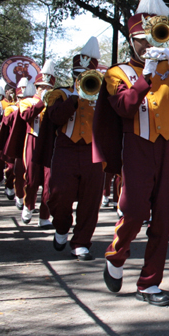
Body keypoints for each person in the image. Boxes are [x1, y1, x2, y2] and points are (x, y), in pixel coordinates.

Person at [93, 0, 169, 306]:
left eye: (154, 37)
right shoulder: (116, 73)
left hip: (167, 148)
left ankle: (149, 283)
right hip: (136, 147)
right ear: (131, 39)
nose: (148, 44)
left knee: (163, 217)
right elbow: (124, 106)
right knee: (135, 211)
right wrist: (145, 78)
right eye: (142, 38)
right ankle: (116, 253)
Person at [44, 37, 106, 260]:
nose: (80, 77)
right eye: (77, 73)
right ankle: (61, 227)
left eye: (85, 73)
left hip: (93, 151)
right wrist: (75, 98)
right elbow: (55, 117)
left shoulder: (102, 96)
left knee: (91, 201)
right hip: (66, 149)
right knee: (59, 195)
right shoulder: (60, 94)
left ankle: (81, 242)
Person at [17, 60, 56, 227]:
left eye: (48, 88)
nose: (45, 90)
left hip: (50, 143)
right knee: (32, 178)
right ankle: (28, 206)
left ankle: (44, 216)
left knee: (49, 181)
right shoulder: (27, 101)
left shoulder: (56, 101)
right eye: (42, 87)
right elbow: (26, 116)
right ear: (37, 87)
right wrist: (41, 102)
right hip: (33, 140)